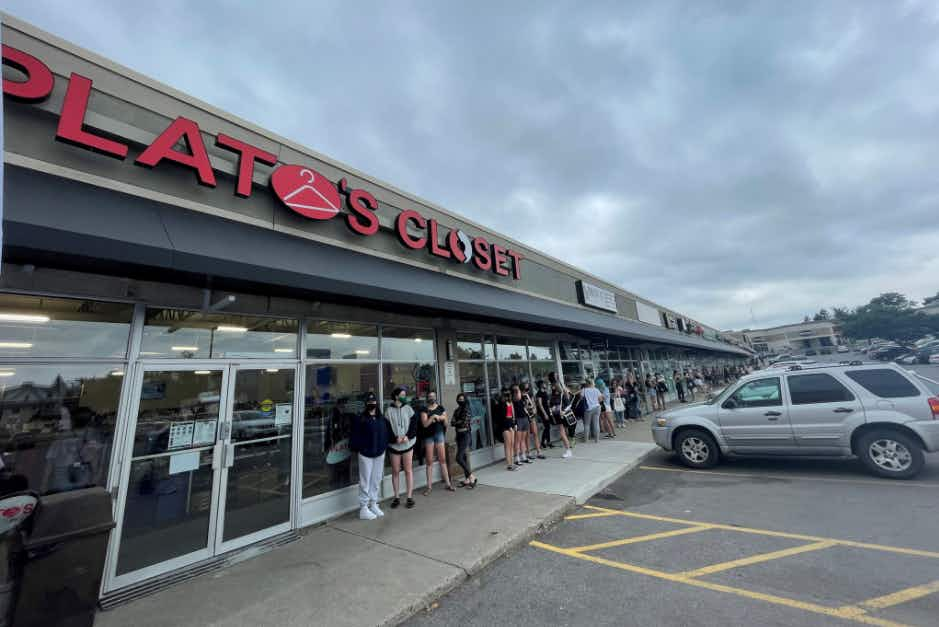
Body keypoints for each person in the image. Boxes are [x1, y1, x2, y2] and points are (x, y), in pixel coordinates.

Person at [350, 392, 388, 520]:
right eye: (370, 402)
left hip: (379, 453)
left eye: (374, 402)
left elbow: (386, 434)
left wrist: (383, 447)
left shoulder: (381, 418)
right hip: (366, 454)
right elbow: (355, 436)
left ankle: (373, 504)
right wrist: (361, 448)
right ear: (366, 404)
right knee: (365, 481)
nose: (372, 404)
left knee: (376, 479)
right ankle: (363, 507)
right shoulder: (361, 418)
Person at [386, 386, 418, 509]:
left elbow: (414, 425)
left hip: (407, 444)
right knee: (395, 471)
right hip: (394, 446)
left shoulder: (409, 409)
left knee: (408, 470)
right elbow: (387, 428)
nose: (405, 397)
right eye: (403, 395)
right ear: (396, 396)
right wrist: (394, 439)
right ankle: (396, 497)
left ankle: (409, 497)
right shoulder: (388, 411)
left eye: (405, 395)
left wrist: (408, 436)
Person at [420, 391, 454, 494]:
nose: (432, 398)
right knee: (429, 461)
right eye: (430, 396)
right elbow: (425, 424)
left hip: (439, 435)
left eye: (433, 396)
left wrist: (440, 417)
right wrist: (433, 417)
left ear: (436, 397)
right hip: (428, 437)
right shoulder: (424, 409)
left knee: (442, 460)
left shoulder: (441, 408)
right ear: (427, 398)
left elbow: (446, 422)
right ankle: (429, 487)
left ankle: (448, 484)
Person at [451, 392, 477, 488]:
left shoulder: (467, 409)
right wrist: (458, 422)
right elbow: (452, 422)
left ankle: (472, 477)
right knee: (464, 458)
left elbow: (464, 422)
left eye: (462, 399)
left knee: (459, 457)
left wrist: (457, 422)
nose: (460, 401)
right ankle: (467, 479)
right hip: (458, 435)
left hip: (466, 434)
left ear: (465, 400)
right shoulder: (456, 410)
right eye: (459, 399)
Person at [548, 382, 573, 457]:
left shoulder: (562, 395)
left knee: (562, 433)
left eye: (552, 386)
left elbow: (569, 405)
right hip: (556, 416)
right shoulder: (553, 396)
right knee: (563, 433)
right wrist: (552, 409)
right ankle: (568, 449)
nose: (551, 388)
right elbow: (551, 406)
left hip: (562, 416)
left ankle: (568, 450)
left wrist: (564, 411)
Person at [521, 382, 545, 459]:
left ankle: (539, 451)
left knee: (535, 433)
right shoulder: (520, 396)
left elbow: (533, 403)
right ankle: (528, 452)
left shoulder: (529, 394)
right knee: (527, 435)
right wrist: (526, 406)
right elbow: (521, 407)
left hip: (531, 415)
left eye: (528, 389)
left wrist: (534, 409)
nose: (527, 390)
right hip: (525, 416)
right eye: (526, 389)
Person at [496, 387, 517, 470]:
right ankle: (509, 464)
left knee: (512, 444)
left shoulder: (510, 403)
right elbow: (502, 417)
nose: (508, 395)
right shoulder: (501, 404)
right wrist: (509, 426)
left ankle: (512, 462)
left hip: (511, 424)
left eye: (508, 393)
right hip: (505, 426)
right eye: (506, 394)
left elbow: (513, 415)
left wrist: (514, 424)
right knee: (508, 444)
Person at [511, 385, 532, 464]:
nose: (519, 390)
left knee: (523, 439)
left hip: (524, 418)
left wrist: (527, 398)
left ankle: (523, 455)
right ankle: (517, 457)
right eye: (517, 389)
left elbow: (527, 406)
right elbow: (518, 397)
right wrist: (517, 390)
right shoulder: (515, 398)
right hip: (519, 419)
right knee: (518, 440)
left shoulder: (522, 397)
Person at [581, 378, 602, 443]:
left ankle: (586, 440)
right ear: (592, 383)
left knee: (587, 424)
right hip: (597, 407)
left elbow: (581, 398)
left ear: (586, 383)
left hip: (588, 409)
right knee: (596, 423)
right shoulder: (596, 390)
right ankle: (597, 440)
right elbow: (600, 399)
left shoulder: (583, 390)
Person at [535, 380, 553, 449]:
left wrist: (550, 410)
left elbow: (547, 403)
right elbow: (540, 404)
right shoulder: (539, 393)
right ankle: (543, 442)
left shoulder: (545, 392)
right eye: (544, 384)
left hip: (547, 411)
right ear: (541, 385)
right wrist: (545, 414)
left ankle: (548, 442)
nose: (545, 385)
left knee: (548, 427)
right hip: (543, 412)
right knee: (547, 427)